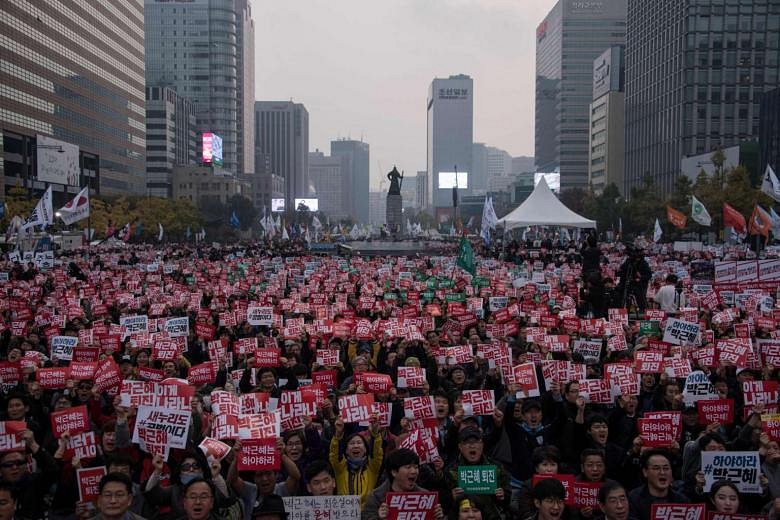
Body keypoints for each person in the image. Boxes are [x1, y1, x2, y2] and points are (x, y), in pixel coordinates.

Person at [362, 448, 444, 520]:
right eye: (408, 467)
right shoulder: (376, 497)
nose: (414, 471)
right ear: (394, 472)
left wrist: (437, 517)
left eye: (416, 467)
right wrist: (379, 518)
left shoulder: (425, 496)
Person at [329, 416, 383, 506]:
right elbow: (334, 455)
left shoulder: (372, 467)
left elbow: (377, 453)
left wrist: (375, 434)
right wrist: (338, 434)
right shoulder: (340, 468)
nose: (356, 446)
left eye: (359, 443)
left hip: (368, 514)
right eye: (352, 443)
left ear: (365, 449)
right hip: (345, 513)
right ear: (346, 450)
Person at [627, 450, 688, 520]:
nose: (662, 472)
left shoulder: (682, 501)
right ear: (645, 472)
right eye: (656, 468)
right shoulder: (633, 499)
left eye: (666, 468)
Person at [616, 247, 651, 312]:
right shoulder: (628, 261)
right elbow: (622, 271)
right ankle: (623, 311)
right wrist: (618, 271)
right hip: (628, 283)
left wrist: (640, 277)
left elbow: (649, 275)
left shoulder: (643, 263)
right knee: (621, 295)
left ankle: (643, 312)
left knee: (641, 299)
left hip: (639, 285)